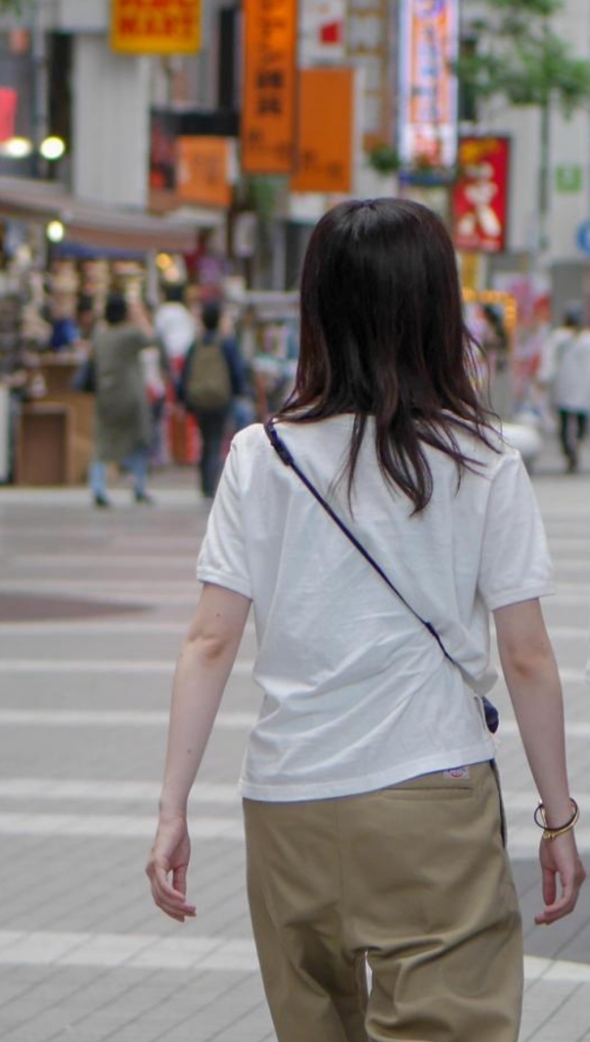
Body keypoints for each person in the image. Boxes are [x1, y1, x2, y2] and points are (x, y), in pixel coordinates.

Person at [147, 199, 584, 1042]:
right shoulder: (481, 458)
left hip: (285, 804)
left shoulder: (258, 454)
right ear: (434, 307)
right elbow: (525, 658)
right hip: (428, 798)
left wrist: (171, 807)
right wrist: (558, 820)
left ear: (318, 307)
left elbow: (209, 639)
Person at [88, 292, 155, 507]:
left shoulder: (100, 336)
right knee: (138, 441)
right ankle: (139, 487)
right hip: (131, 395)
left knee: (103, 442)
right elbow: (152, 339)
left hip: (106, 394)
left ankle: (97, 486)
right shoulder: (130, 335)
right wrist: (140, 317)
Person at [178, 300, 245, 499]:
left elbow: (186, 373)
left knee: (205, 439)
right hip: (221, 399)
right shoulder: (226, 343)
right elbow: (236, 371)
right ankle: (211, 483)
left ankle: (204, 482)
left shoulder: (195, 344)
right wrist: (239, 392)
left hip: (198, 399)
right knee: (216, 440)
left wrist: (184, 399)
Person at [539, 306, 590, 472]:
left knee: (581, 422)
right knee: (565, 421)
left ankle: (574, 446)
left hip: (583, 386)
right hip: (565, 385)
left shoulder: (586, 339)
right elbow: (550, 358)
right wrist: (545, 377)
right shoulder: (559, 338)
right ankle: (569, 452)